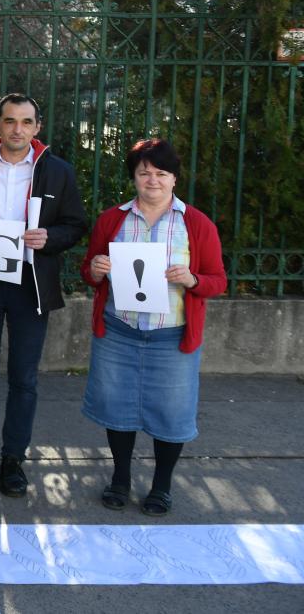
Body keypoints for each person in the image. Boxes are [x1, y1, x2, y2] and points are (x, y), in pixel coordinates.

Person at [0, 93, 88, 496]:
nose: (17, 130)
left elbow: (76, 224)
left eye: (26, 122)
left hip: (31, 286)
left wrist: (50, 238)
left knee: (24, 379)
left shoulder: (58, 171)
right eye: (9, 121)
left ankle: (13, 461)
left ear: (37, 127)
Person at [80, 139, 227, 517]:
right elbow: (89, 270)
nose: (152, 180)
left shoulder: (196, 224)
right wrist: (95, 269)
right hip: (119, 331)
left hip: (171, 337)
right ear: (134, 176)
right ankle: (121, 478)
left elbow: (217, 281)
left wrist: (193, 279)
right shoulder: (113, 219)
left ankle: (161, 487)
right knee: (118, 408)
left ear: (174, 178)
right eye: (144, 172)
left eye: (161, 173)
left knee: (171, 414)